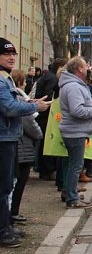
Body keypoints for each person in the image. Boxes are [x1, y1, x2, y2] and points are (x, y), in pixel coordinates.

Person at [0, 39, 49, 247]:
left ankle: (6, 225)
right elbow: (9, 108)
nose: (11, 57)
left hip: (9, 137)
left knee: (7, 185)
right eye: (6, 54)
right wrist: (34, 107)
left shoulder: (6, 78)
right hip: (3, 139)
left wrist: (29, 103)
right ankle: (3, 231)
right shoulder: (1, 80)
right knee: (3, 187)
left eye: (13, 54)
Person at [58, 56, 92, 209]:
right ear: (78, 69)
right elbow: (77, 110)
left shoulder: (73, 84)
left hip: (75, 130)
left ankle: (70, 193)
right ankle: (72, 198)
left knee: (73, 164)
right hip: (74, 131)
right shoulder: (73, 86)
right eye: (85, 66)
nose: (88, 68)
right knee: (76, 165)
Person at [10, 69, 43, 226]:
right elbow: (29, 122)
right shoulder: (19, 98)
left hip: (18, 145)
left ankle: (12, 213)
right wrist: (39, 134)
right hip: (23, 146)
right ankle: (13, 213)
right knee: (18, 183)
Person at [34, 58, 66, 181]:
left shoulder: (47, 76)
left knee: (44, 143)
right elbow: (50, 97)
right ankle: (47, 170)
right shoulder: (52, 79)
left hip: (43, 115)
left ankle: (44, 170)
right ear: (60, 67)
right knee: (48, 144)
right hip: (47, 115)